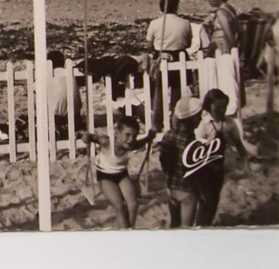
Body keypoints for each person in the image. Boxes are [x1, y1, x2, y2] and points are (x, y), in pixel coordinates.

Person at [80, 117, 156, 229]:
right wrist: (86, 137)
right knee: (119, 205)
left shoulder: (131, 145)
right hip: (105, 176)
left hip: (122, 175)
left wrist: (149, 137)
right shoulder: (106, 142)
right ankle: (126, 232)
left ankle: (128, 229)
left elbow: (142, 142)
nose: (131, 139)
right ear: (117, 133)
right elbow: (92, 137)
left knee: (133, 204)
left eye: (134, 136)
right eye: (127, 135)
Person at [194, 89, 251, 227]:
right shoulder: (204, 124)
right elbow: (197, 149)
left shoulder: (229, 124)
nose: (222, 110)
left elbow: (238, 144)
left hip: (220, 166)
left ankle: (207, 224)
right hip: (205, 167)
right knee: (206, 199)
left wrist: (246, 162)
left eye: (224, 107)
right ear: (209, 106)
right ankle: (200, 225)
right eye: (218, 107)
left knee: (215, 199)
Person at [147, 0, 193, 128]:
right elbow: (188, 43)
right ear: (177, 5)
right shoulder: (185, 23)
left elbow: (149, 45)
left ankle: (156, 122)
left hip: (161, 56)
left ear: (161, 5)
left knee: (159, 91)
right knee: (177, 90)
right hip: (180, 56)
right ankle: (175, 121)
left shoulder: (155, 23)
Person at [159, 96, 202, 228]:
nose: (200, 119)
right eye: (199, 116)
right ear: (194, 119)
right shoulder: (192, 143)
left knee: (174, 223)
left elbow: (163, 160)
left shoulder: (168, 135)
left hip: (171, 188)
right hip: (187, 191)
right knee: (186, 228)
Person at [202, 0, 244, 116]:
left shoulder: (221, 12)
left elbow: (228, 34)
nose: (209, 0)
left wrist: (231, 49)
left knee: (222, 81)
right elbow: (241, 31)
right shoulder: (230, 10)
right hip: (225, 49)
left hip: (222, 50)